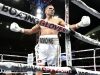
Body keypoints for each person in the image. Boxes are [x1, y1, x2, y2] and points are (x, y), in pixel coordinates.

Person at [9, 4, 90, 75]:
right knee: (39, 68)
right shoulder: (41, 22)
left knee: (53, 69)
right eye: (50, 8)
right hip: (42, 45)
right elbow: (31, 31)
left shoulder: (58, 20)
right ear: (45, 11)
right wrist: (19, 29)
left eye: (53, 9)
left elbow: (68, 27)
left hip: (54, 45)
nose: (52, 10)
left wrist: (80, 24)